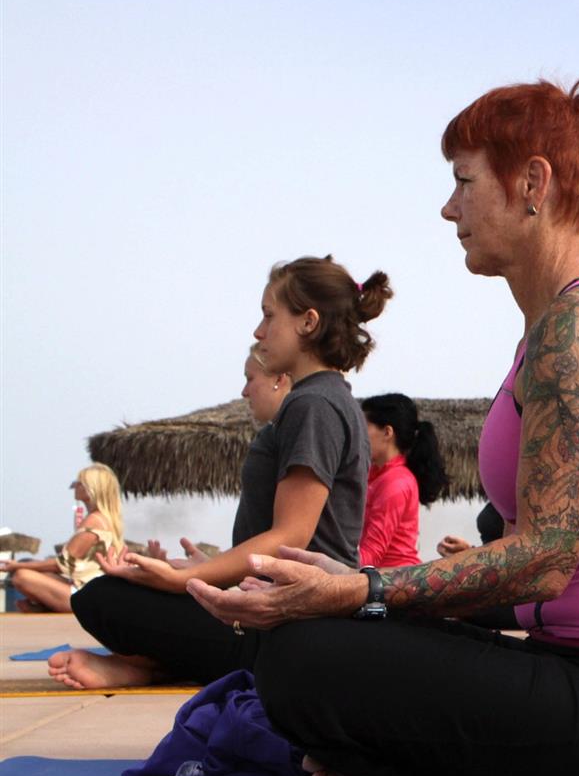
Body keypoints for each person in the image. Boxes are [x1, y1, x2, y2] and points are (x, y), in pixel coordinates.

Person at [185, 80, 579, 776]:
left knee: (308, 657)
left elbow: (546, 561)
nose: (449, 209)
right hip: (578, 666)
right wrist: (359, 604)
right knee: (302, 643)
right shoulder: (547, 333)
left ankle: (410, 762)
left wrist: (358, 591)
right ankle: (410, 758)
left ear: (533, 182)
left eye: (464, 183)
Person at [50, 258, 389, 689]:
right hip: (282, 611)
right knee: (113, 596)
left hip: (290, 624)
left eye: (269, 315)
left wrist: (183, 579)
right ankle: (159, 665)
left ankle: (156, 668)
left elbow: (292, 536)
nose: (258, 331)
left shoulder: (314, 406)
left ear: (308, 322)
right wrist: (210, 569)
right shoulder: (322, 400)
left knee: (102, 600)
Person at [148, 347, 294, 569]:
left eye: (250, 379)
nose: (244, 392)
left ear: (279, 379)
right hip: (254, 581)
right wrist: (209, 567)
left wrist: (209, 572)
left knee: (103, 593)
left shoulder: (299, 426)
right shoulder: (276, 432)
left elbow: (290, 536)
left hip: (269, 586)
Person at [1, 465, 124, 612]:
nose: (74, 486)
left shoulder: (94, 521)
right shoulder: (103, 519)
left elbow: (62, 565)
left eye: (79, 483)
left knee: (22, 576)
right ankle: (45, 606)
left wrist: (16, 566)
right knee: (35, 571)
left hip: (85, 593)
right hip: (90, 587)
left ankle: (52, 607)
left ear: (91, 489)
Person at [358, 393, 447, 568]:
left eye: (364, 427)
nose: (359, 434)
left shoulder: (395, 482)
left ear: (387, 432)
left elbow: (371, 555)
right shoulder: (378, 475)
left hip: (392, 584)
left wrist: (326, 564)